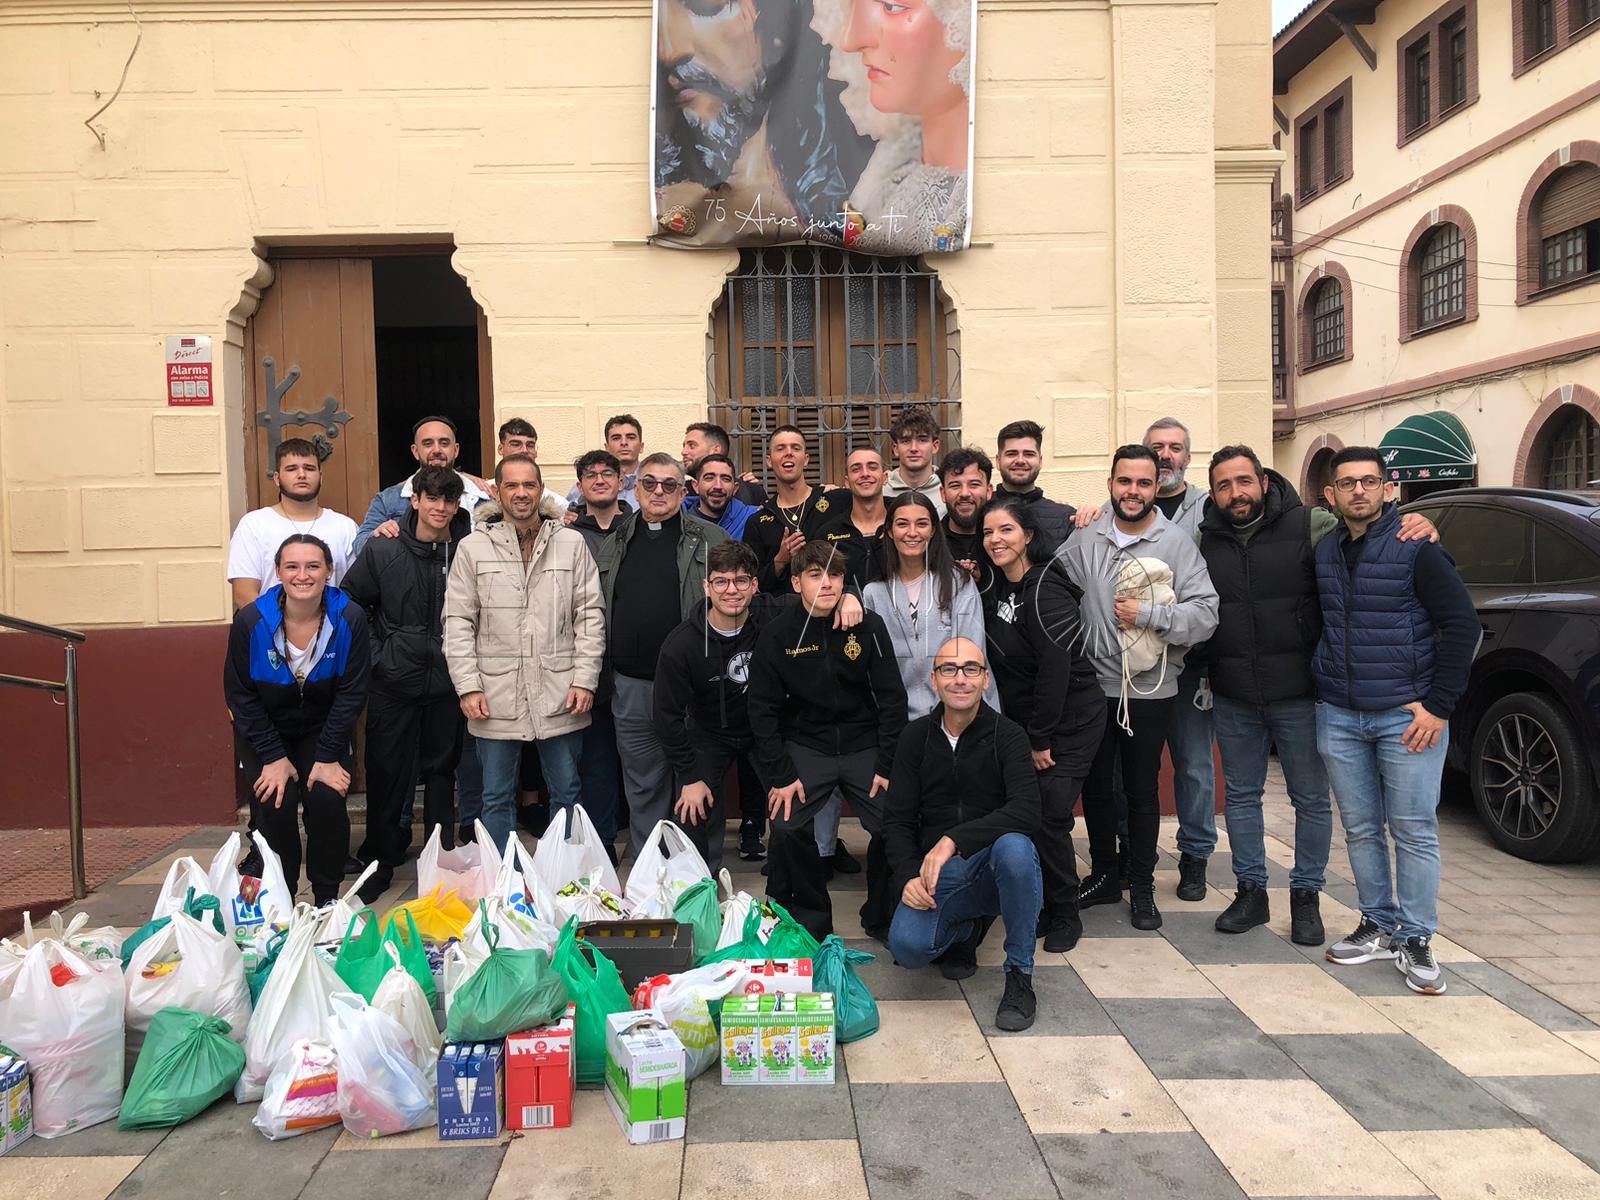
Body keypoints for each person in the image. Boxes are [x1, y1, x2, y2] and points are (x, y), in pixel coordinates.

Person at [1200, 446, 1438, 943]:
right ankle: (1251, 892)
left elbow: (1368, 535)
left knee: (1310, 798)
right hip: (1234, 691)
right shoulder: (1205, 538)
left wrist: (1416, 523)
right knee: (1241, 796)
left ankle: (1306, 896)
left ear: (1263, 481)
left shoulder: (1311, 525)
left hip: (1303, 692)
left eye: (1244, 481)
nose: (1236, 493)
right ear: (1214, 492)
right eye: (1224, 485)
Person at [1314, 447, 1477, 995]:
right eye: (1346, 484)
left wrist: (1439, 706)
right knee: (1361, 828)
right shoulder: (1326, 550)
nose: (1358, 491)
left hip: (1406, 718)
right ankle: (1378, 924)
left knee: (1412, 830)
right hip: (1339, 713)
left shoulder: (1417, 547)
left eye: (1368, 482)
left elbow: (1462, 627)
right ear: (1331, 496)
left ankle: (1417, 936)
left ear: (1388, 489)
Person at [1057, 445, 1218, 932]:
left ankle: (1142, 885)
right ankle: (1105, 874)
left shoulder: (1175, 543)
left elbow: (1206, 613)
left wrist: (1149, 615)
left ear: (1156, 488)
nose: (1133, 491)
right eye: (1124, 481)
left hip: (1150, 691)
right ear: (1110, 485)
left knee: (1142, 790)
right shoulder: (1085, 535)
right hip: (1089, 688)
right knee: (1097, 788)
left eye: (1143, 483)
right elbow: (1050, 588)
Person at [654, 542, 863, 874]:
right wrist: (690, 776)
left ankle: (789, 888)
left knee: (792, 809)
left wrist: (851, 595)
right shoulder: (682, 644)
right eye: (721, 581)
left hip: (767, 732)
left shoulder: (774, 614)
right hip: (711, 733)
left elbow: (821, 592)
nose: (731, 590)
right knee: (690, 810)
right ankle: (698, 894)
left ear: (755, 585)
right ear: (706, 586)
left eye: (741, 580)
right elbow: (666, 717)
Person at [443, 454, 604, 850]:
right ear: (497, 492)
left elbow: (590, 616)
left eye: (528, 485)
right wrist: (468, 687)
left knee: (567, 791)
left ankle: (566, 877)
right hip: (494, 693)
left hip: (560, 688)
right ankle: (504, 884)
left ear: (540, 489)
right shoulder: (472, 548)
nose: (521, 493)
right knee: (495, 797)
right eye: (511, 485)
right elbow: (458, 622)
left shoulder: (570, 543)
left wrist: (585, 678)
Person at [748, 541, 908, 939]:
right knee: (785, 828)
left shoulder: (868, 626)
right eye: (815, 575)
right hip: (807, 746)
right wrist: (781, 775)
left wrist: (888, 764)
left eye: (834, 575)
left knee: (895, 823)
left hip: (863, 745)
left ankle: (883, 916)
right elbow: (762, 711)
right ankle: (808, 923)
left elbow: (892, 700)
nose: (826, 584)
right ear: (798, 581)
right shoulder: (777, 634)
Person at [883, 637, 1043, 1031]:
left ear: (985, 680)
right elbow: (897, 820)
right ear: (933, 681)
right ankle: (967, 927)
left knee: (1017, 848)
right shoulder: (915, 738)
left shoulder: (1008, 736)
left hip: (993, 864)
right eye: (949, 670)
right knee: (908, 948)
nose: (960, 679)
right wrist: (906, 876)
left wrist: (953, 839)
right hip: (940, 875)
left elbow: (1027, 810)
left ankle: (1019, 975)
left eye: (971, 669)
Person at [980, 494, 1106, 952]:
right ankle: (1042, 904)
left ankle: (1065, 911)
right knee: (1030, 816)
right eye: (989, 532)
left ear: (1028, 536)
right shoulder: (1001, 588)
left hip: (1067, 720)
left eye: (1006, 530)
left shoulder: (1047, 587)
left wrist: (1039, 738)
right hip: (1027, 722)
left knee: (1052, 814)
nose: (996, 539)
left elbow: (1055, 669)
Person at [339, 465, 469, 899]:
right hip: (393, 680)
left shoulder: (467, 548)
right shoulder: (383, 549)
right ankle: (379, 858)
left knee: (441, 772)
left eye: (449, 500)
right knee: (387, 772)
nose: (440, 508)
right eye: (432, 498)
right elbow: (350, 603)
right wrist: (379, 653)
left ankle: (439, 855)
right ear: (415, 500)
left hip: (449, 680)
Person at [592, 453, 729, 855]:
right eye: (649, 483)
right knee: (643, 782)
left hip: (694, 686)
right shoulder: (613, 541)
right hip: (632, 685)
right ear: (635, 489)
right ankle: (650, 867)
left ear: (683, 492)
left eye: (669, 485)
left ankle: (699, 870)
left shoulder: (711, 539)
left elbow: (734, 600)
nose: (658, 492)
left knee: (698, 780)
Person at [223, 534, 369, 905]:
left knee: (326, 798)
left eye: (313, 566)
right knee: (275, 800)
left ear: (329, 570)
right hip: (266, 729)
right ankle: (281, 900)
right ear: (277, 572)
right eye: (292, 566)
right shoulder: (251, 621)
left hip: (325, 728)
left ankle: (325, 899)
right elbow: (241, 695)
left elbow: (352, 693)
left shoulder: (350, 618)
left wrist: (328, 755)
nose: (302, 575)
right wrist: (272, 757)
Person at [654, 0, 872, 240]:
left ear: (778, 31)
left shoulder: (874, 189)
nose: (669, 51)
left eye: (704, 7)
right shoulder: (666, 202)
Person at [1137, 417, 1218, 904]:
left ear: (1188, 456)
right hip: (1134, 668)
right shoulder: (1117, 508)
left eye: (1174, 448)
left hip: (1191, 666)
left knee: (1192, 765)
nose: (1165, 455)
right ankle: (1133, 852)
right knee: (1135, 766)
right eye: (1156, 448)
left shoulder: (1210, 511)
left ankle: (1194, 855)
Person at [817, 0, 972, 252]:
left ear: (964, 22)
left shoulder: (988, 204)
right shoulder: (888, 167)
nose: (851, 40)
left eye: (893, 6)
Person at [864, 493, 990, 719]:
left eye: (921, 524)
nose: (912, 533)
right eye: (902, 524)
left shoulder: (958, 582)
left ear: (933, 530)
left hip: (954, 715)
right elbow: (872, 668)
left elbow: (971, 650)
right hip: (894, 720)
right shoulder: (874, 593)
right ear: (890, 532)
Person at [570, 448, 632, 848]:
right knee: (597, 759)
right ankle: (603, 840)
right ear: (579, 486)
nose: (599, 479)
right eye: (590, 474)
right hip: (588, 662)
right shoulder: (568, 536)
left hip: (635, 658)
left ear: (621, 480)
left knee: (643, 755)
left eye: (607, 472)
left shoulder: (640, 527)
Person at [228, 438, 359, 610]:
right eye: (291, 469)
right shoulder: (254, 525)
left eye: (309, 468)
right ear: (276, 478)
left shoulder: (345, 527)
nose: (302, 474)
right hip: (269, 632)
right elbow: (244, 595)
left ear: (320, 477)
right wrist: (282, 631)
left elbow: (355, 593)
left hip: (332, 632)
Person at [353, 416, 493, 556]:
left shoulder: (483, 496)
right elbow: (359, 547)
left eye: (444, 443)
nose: (436, 450)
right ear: (415, 451)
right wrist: (378, 536)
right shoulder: (389, 499)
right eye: (428, 444)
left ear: (455, 450)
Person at [742, 425, 849, 593]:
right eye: (780, 448)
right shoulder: (757, 522)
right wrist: (780, 559)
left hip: (834, 610)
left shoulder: (835, 501)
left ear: (806, 459)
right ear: (769, 461)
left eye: (795, 448)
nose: (789, 453)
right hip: (782, 614)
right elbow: (751, 583)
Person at [816, 445, 890, 593]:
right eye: (856, 469)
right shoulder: (828, 534)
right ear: (847, 482)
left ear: (885, 478)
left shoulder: (902, 526)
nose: (865, 474)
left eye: (872, 467)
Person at [994, 421, 1074, 549]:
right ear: (998, 461)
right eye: (1012, 454)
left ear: (1040, 461)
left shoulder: (1065, 517)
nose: (1020, 460)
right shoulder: (980, 510)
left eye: (1028, 454)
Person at [939, 446, 994, 589]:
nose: (964, 493)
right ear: (943, 493)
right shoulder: (929, 542)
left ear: (989, 491)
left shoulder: (1004, 541)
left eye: (974, 485)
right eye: (955, 485)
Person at [566, 414, 644, 509]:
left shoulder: (653, 484)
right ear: (606, 447)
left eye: (631, 437)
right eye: (616, 438)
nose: (624, 443)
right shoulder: (586, 486)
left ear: (641, 447)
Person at [681, 422, 768, 507]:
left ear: (715, 450)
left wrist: (746, 488)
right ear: (695, 486)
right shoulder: (679, 492)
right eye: (684, 446)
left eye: (692, 446)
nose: (683, 452)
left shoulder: (750, 492)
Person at [881, 406, 945, 514]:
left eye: (922, 440)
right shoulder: (881, 490)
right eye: (906, 441)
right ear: (895, 449)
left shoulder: (948, 488)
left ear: (935, 446)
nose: (914, 448)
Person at [683, 453, 760, 539]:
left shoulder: (752, 518)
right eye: (709, 478)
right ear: (696, 486)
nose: (718, 486)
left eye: (725, 479)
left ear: (735, 488)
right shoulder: (679, 521)